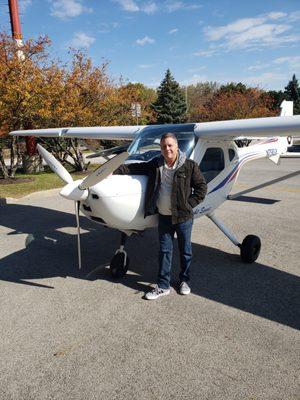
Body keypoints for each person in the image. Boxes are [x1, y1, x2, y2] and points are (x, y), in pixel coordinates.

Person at [114, 133, 207, 300]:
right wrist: (115, 171)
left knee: (185, 251)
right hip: (164, 217)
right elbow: (137, 167)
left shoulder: (189, 166)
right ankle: (163, 285)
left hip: (183, 217)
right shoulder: (157, 164)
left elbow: (201, 188)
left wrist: (188, 205)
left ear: (177, 147)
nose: (167, 149)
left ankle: (184, 280)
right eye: (164, 146)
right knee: (164, 251)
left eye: (170, 145)